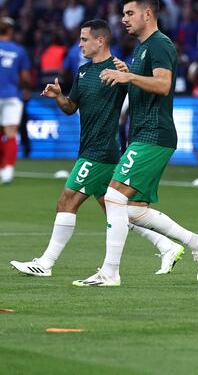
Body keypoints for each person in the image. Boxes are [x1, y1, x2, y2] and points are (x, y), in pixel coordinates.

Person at [10, 20, 184, 277]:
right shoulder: (82, 72)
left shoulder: (118, 70)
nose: (79, 44)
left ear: (100, 41)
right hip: (93, 149)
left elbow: (143, 95)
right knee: (119, 213)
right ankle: (167, 245)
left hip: (100, 151)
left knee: (67, 201)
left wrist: (130, 79)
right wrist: (59, 96)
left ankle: (45, 263)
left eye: (84, 39)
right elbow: (72, 107)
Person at [72, 0, 198, 287]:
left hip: (154, 134)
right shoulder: (142, 49)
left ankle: (109, 272)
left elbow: (163, 85)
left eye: (129, 13)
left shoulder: (159, 45)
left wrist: (129, 77)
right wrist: (130, 73)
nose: (124, 19)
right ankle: (197, 243)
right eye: (124, 14)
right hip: (143, 133)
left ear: (147, 14)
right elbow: (146, 84)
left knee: (112, 197)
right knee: (134, 210)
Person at [0, 17, 31, 184]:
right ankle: (8, 171)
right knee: (10, 133)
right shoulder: (19, 50)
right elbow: (25, 76)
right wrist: (22, 86)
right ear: (10, 31)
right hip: (12, 95)